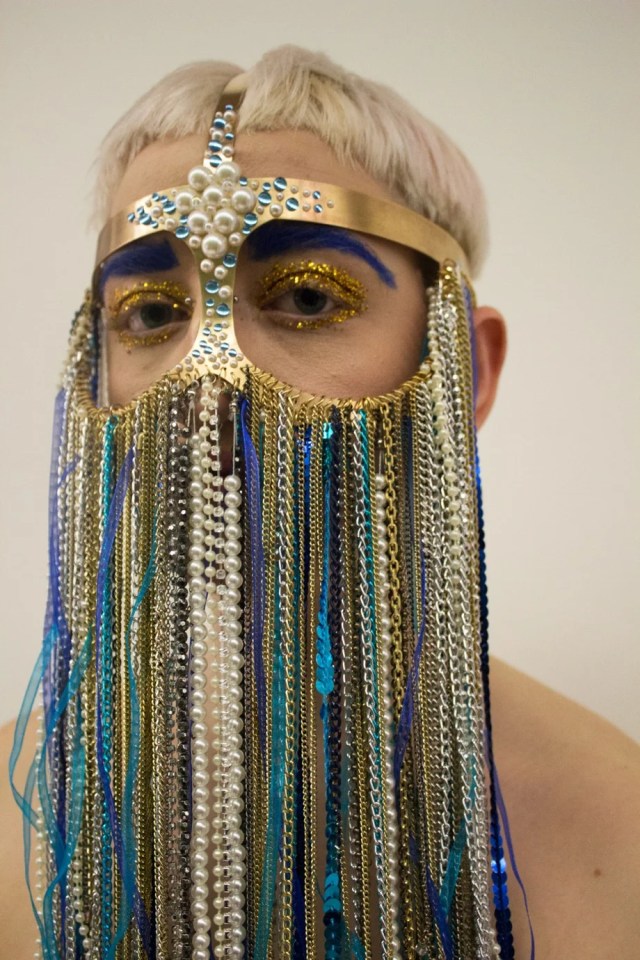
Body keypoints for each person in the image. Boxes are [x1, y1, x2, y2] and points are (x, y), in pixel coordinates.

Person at [1, 45, 639, 960]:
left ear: (466, 367)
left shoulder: (618, 828)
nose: (204, 384)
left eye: (306, 297)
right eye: (150, 313)